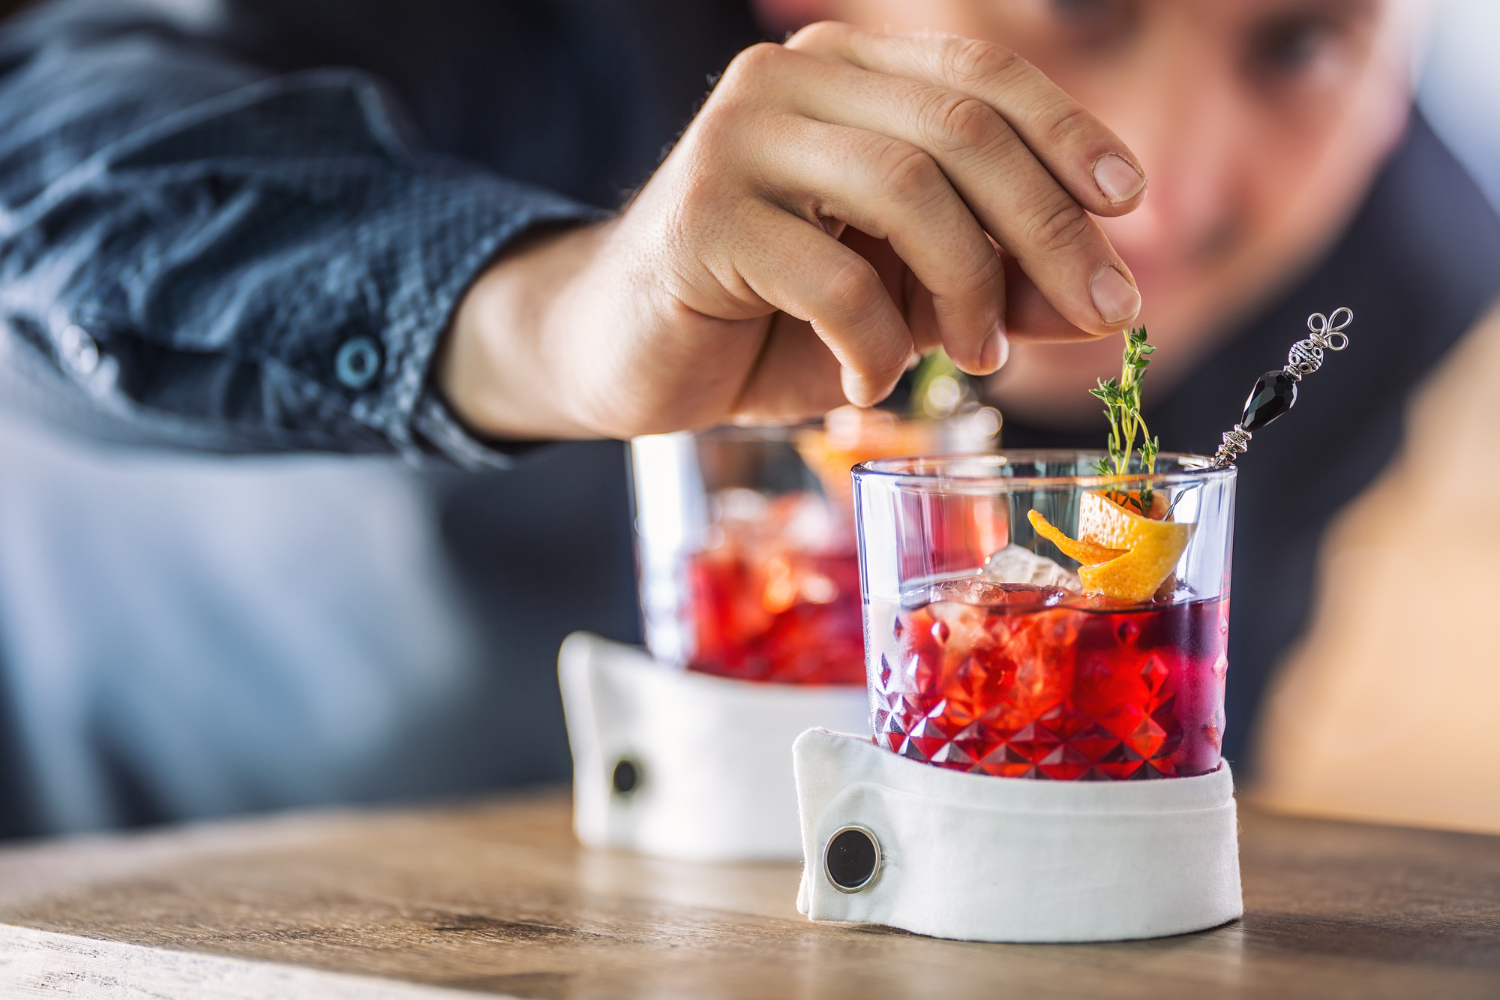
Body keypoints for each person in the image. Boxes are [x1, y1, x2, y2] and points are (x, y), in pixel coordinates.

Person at [0, 0, 1494, 836]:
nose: (1167, 177)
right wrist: (540, 311)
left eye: (1301, 45)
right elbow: (41, 153)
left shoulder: (1395, 273)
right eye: (1083, 13)